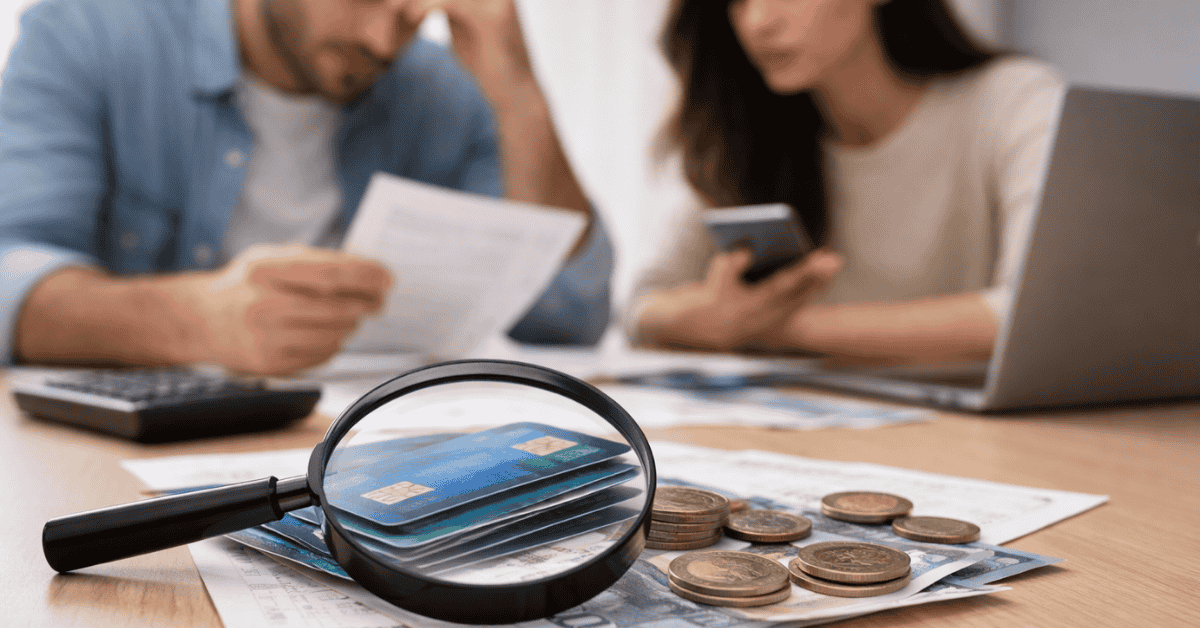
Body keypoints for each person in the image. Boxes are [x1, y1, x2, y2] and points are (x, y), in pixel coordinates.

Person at [0, 0, 612, 376]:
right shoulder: (85, 33)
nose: (382, 41)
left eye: (410, 15)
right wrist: (200, 322)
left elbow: (568, 312)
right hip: (108, 469)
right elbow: (10, 278)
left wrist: (519, 92)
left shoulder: (438, 91)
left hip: (350, 465)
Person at [628, 0, 1064, 365]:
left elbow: (1032, 317)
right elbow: (642, 305)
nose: (758, 21)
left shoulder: (1016, 102)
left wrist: (775, 327)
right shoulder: (749, 137)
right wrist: (709, 318)